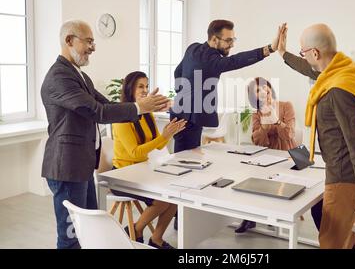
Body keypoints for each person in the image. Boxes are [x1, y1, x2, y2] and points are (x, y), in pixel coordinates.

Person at [41, 20, 171, 249]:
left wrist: (145, 106)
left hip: (80, 164)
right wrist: (141, 107)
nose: (93, 47)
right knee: (71, 236)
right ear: (69, 40)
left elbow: (107, 104)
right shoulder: (60, 77)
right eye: (89, 41)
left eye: (93, 41)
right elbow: (97, 112)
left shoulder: (79, 75)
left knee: (89, 230)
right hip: (67, 166)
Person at [278, 23, 355, 248]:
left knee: (332, 242)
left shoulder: (337, 90)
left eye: (304, 51)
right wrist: (283, 53)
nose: (304, 56)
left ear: (315, 53)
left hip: (348, 179)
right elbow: (310, 69)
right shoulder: (344, 69)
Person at [170, 20, 282, 154]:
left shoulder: (193, 48)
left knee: (185, 157)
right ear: (214, 39)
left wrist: (183, 95)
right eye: (228, 40)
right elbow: (236, 61)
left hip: (180, 112)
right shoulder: (212, 61)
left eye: (233, 39)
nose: (232, 44)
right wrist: (269, 48)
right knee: (185, 159)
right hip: (189, 118)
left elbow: (177, 72)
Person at [111, 71, 186, 249]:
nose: (145, 90)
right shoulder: (122, 117)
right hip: (123, 175)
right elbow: (135, 153)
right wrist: (163, 137)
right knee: (162, 200)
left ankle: (156, 239)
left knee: (175, 196)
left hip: (142, 171)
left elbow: (157, 146)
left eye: (146, 86)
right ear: (130, 89)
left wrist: (168, 134)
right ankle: (135, 229)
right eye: (140, 86)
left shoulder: (146, 113)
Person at [235, 77, 297, 234]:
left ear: (270, 88)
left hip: (288, 153)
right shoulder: (256, 114)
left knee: (276, 178)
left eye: (264, 87)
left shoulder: (286, 106)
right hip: (267, 154)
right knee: (252, 176)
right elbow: (258, 142)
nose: (262, 91)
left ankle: (273, 214)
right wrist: (263, 127)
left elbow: (289, 135)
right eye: (257, 90)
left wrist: (276, 121)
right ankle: (250, 217)